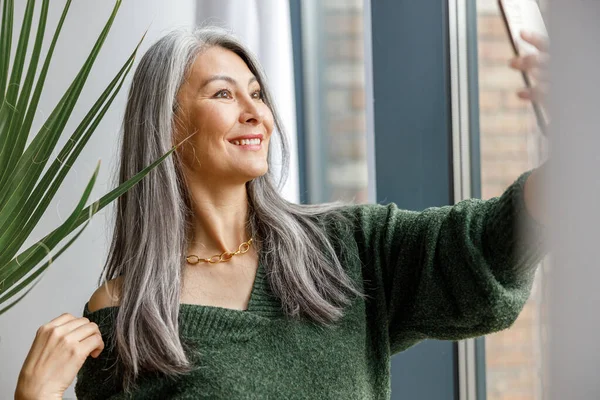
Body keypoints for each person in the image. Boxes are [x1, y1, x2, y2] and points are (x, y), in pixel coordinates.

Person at [14, 27, 549, 399]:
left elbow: (481, 248)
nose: (255, 113)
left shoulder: (344, 249)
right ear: (166, 126)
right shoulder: (126, 313)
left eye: (257, 93)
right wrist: (35, 395)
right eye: (224, 94)